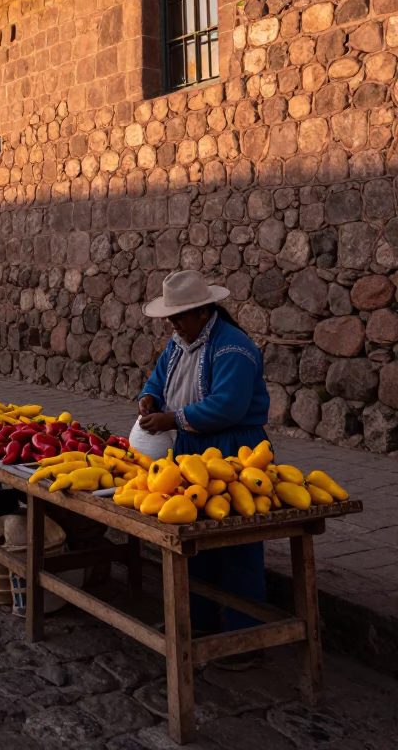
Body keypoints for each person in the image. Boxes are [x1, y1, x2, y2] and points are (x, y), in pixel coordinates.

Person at [139, 269, 269, 665]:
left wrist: (172, 420)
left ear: (202, 312)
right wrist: (148, 399)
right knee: (195, 543)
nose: (173, 324)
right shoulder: (179, 344)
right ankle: (201, 622)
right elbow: (157, 381)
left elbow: (227, 406)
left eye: (179, 317)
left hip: (234, 451)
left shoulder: (233, 348)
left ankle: (243, 639)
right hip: (192, 451)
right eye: (171, 318)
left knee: (236, 543)